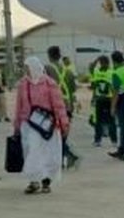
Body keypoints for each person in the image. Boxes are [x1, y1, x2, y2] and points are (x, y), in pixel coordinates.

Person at [14, 56, 69, 194]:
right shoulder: (23, 84)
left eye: (28, 68)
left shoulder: (49, 83)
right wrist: (16, 125)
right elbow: (19, 106)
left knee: (48, 153)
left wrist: (63, 123)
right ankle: (33, 181)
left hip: (47, 125)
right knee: (31, 152)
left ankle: (46, 181)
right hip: (28, 124)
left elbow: (58, 105)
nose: (26, 71)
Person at [45, 46, 80, 170]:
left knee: (53, 135)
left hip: (53, 106)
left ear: (49, 55)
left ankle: (66, 157)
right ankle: (65, 158)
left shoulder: (47, 69)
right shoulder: (68, 71)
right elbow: (73, 90)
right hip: (67, 106)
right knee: (63, 135)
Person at [90, 56, 118, 147]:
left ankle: (114, 140)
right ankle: (98, 140)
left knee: (111, 120)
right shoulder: (97, 71)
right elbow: (91, 67)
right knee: (98, 121)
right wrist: (97, 59)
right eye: (101, 63)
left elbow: (114, 89)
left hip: (108, 99)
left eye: (104, 63)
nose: (103, 65)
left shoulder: (111, 72)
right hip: (100, 99)